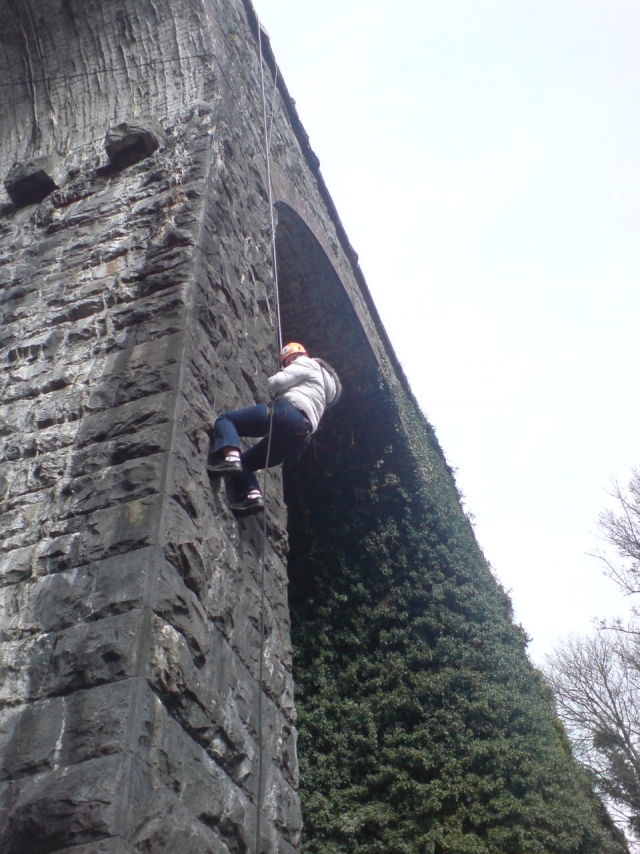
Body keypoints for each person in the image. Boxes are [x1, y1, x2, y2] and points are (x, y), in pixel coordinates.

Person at [208, 342, 342, 517]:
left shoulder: (307, 363)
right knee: (246, 464)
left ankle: (230, 457)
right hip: (301, 438)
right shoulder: (323, 388)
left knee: (226, 420)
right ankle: (252, 495)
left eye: (292, 358)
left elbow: (276, 383)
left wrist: (282, 373)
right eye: (288, 361)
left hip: (289, 413)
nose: (291, 362)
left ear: (304, 355)